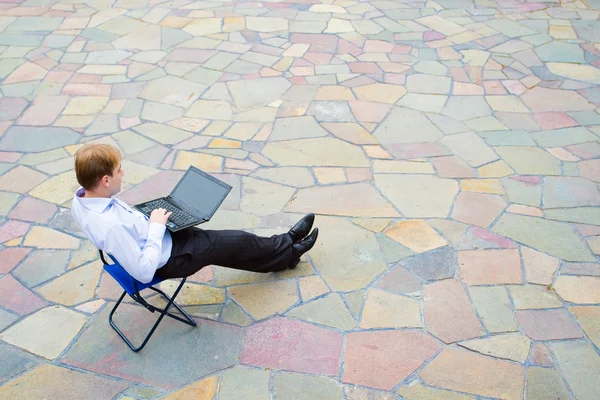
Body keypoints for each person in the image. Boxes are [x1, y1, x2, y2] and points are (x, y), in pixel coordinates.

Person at [70, 144, 318, 284]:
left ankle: (287, 254)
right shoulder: (111, 227)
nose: (121, 174)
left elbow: (126, 230)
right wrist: (156, 227)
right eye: (118, 171)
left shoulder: (83, 199)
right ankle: (289, 244)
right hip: (169, 259)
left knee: (229, 246)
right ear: (104, 180)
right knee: (235, 241)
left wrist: (152, 219)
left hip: (160, 236)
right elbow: (144, 272)